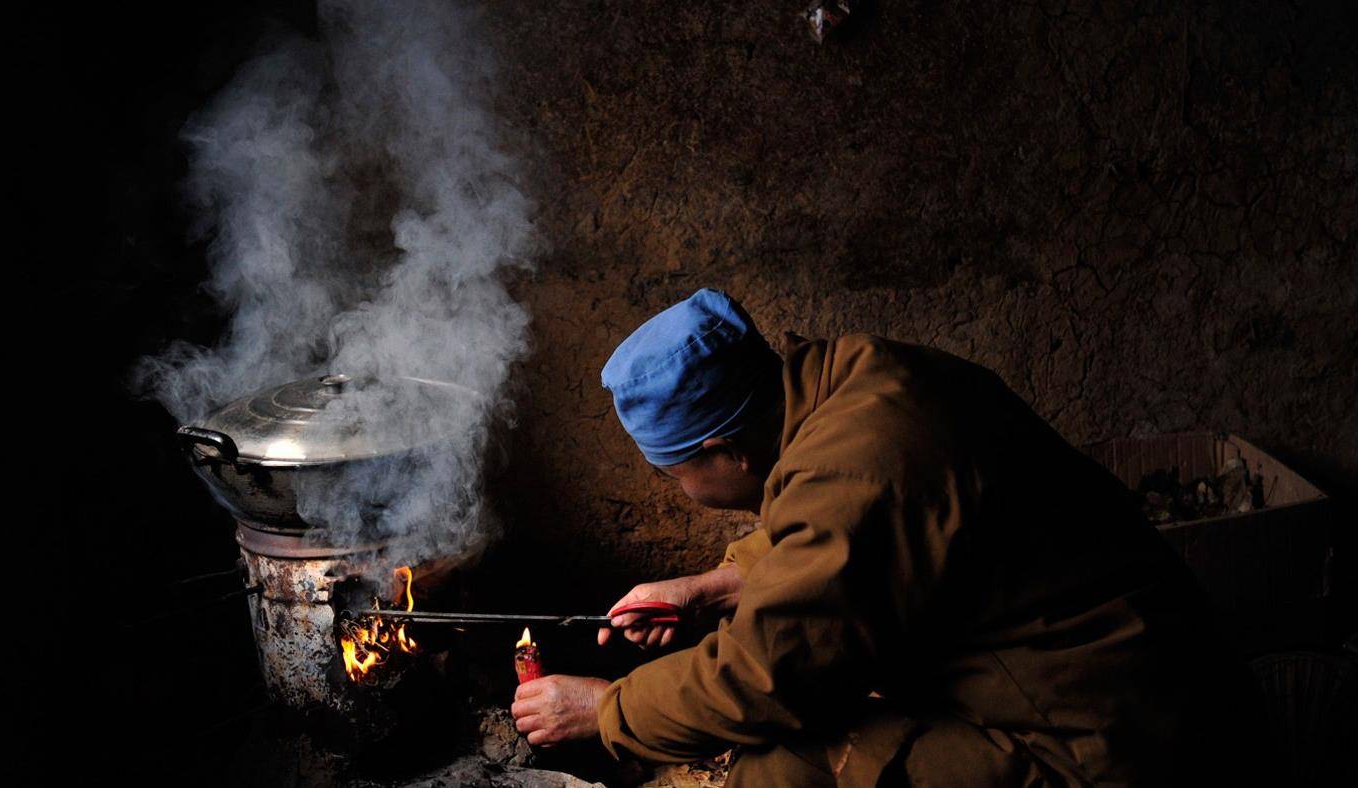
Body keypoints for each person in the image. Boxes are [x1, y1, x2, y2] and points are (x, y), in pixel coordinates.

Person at [510, 289, 1268, 786]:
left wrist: (607, 708)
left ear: (726, 450)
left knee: (778, 770)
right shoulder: (863, 381)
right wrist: (709, 587)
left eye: (674, 474)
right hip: (1144, 673)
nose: (681, 491)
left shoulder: (858, 472)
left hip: (1112, 743)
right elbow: (860, 541)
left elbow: (765, 678)